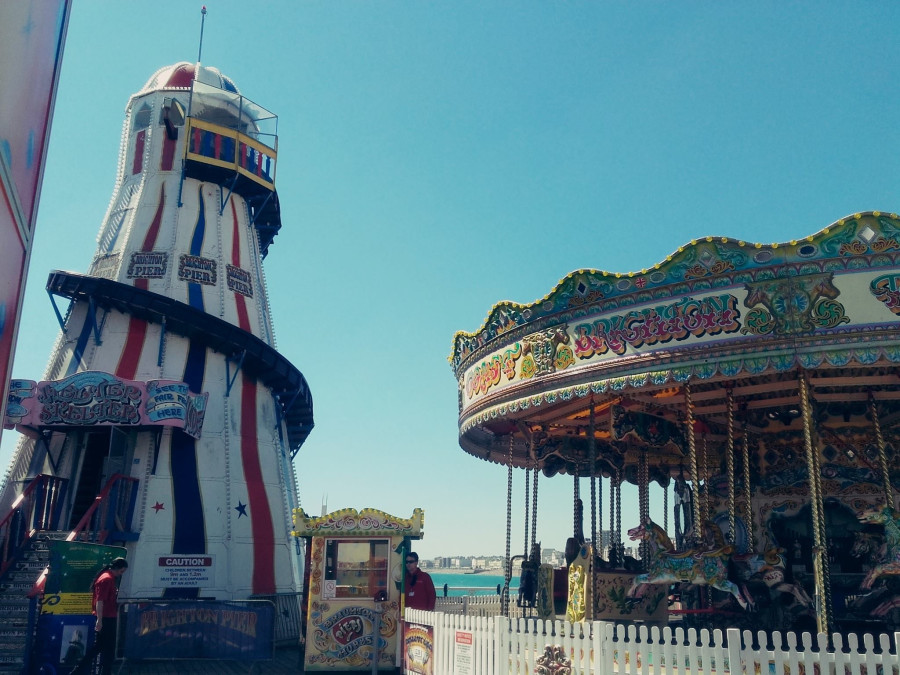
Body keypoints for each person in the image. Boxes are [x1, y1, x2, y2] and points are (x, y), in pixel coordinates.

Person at [72, 557, 128, 675]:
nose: (121, 574)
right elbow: (100, 601)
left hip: (107, 616)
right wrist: (100, 620)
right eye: (121, 571)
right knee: (106, 648)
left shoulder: (107, 577)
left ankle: (79, 670)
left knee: (100, 647)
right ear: (116, 568)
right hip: (107, 618)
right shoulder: (107, 579)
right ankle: (82, 670)